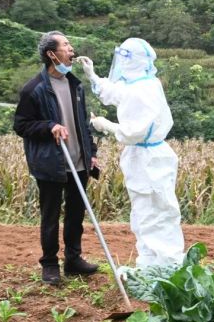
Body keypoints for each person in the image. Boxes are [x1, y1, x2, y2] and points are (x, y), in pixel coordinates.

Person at [76, 38, 184, 270]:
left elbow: (132, 132)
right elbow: (117, 93)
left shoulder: (143, 91)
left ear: (132, 62)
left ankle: (166, 266)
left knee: (155, 214)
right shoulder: (143, 83)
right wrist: (93, 75)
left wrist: (105, 124)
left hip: (149, 161)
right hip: (144, 158)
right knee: (143, 214)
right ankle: (149, 264)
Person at [14, 31, 99, 286]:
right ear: (52, 54)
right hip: (52, 162)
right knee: (50, 215)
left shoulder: (75, 85)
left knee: (75, 213)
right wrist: (49, 126)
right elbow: (22, 125)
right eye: (66, 45)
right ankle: (50, 264)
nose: (71, 50)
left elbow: (82, 124)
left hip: (79, 161)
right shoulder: (33, 89)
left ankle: (73, 260)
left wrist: (91, 153)